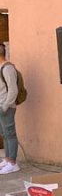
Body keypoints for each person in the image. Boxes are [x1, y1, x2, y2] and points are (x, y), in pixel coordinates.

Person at [0, 44, 20, 174]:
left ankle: (13, 162)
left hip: (5, 107)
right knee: (4, 134)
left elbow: (13, 89)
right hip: (1, 106)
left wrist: (6, 105)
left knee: (10, 134)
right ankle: (7, 159)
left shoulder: (7, 68)